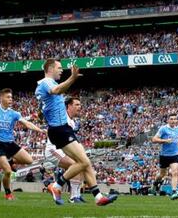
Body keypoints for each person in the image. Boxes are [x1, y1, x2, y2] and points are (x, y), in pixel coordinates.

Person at [36, 59, 117, 206]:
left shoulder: (47, 85)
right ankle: (57, 186)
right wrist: (72, 77)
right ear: (50, 68)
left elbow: (42, 110)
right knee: (84, 162)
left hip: (61, 128)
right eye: (59, 68)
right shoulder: (46, 82)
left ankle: (98, 196)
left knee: (85, 162)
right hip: (59, 128)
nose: (61, 70)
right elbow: (56, 91)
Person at [0, 88, 46, 201]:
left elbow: (26, 123)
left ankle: (10, 161)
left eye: (11, 97)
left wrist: (40, 130)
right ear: (1, 98)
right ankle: (8, 193)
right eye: (8, 97)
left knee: (29, 160)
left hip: (10, 143)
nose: (10, 99)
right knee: (7, 171)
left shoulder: (14, 113)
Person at [44, 96, 86, 203]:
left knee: (80, 165)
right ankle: (71, 196)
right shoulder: (63, 118)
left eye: (80, 104)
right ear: (69, 106)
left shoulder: (72, 122)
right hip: (53, 150)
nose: (79, 107)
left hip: (62, 149)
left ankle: (77, 195)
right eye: (76, 104)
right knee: (75, 165)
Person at [151, 113, 178, 200]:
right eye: (171, 119)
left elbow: (176, 139)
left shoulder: (177, 128)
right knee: (162, 174)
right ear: (168, 120)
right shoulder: (163, 129)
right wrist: (165, 141)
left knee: (175, 172)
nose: (173, 120)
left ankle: (174, 192)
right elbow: (154, 139)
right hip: (164, 155)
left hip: (174, 155)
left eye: (175, 119)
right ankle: (155, 182)